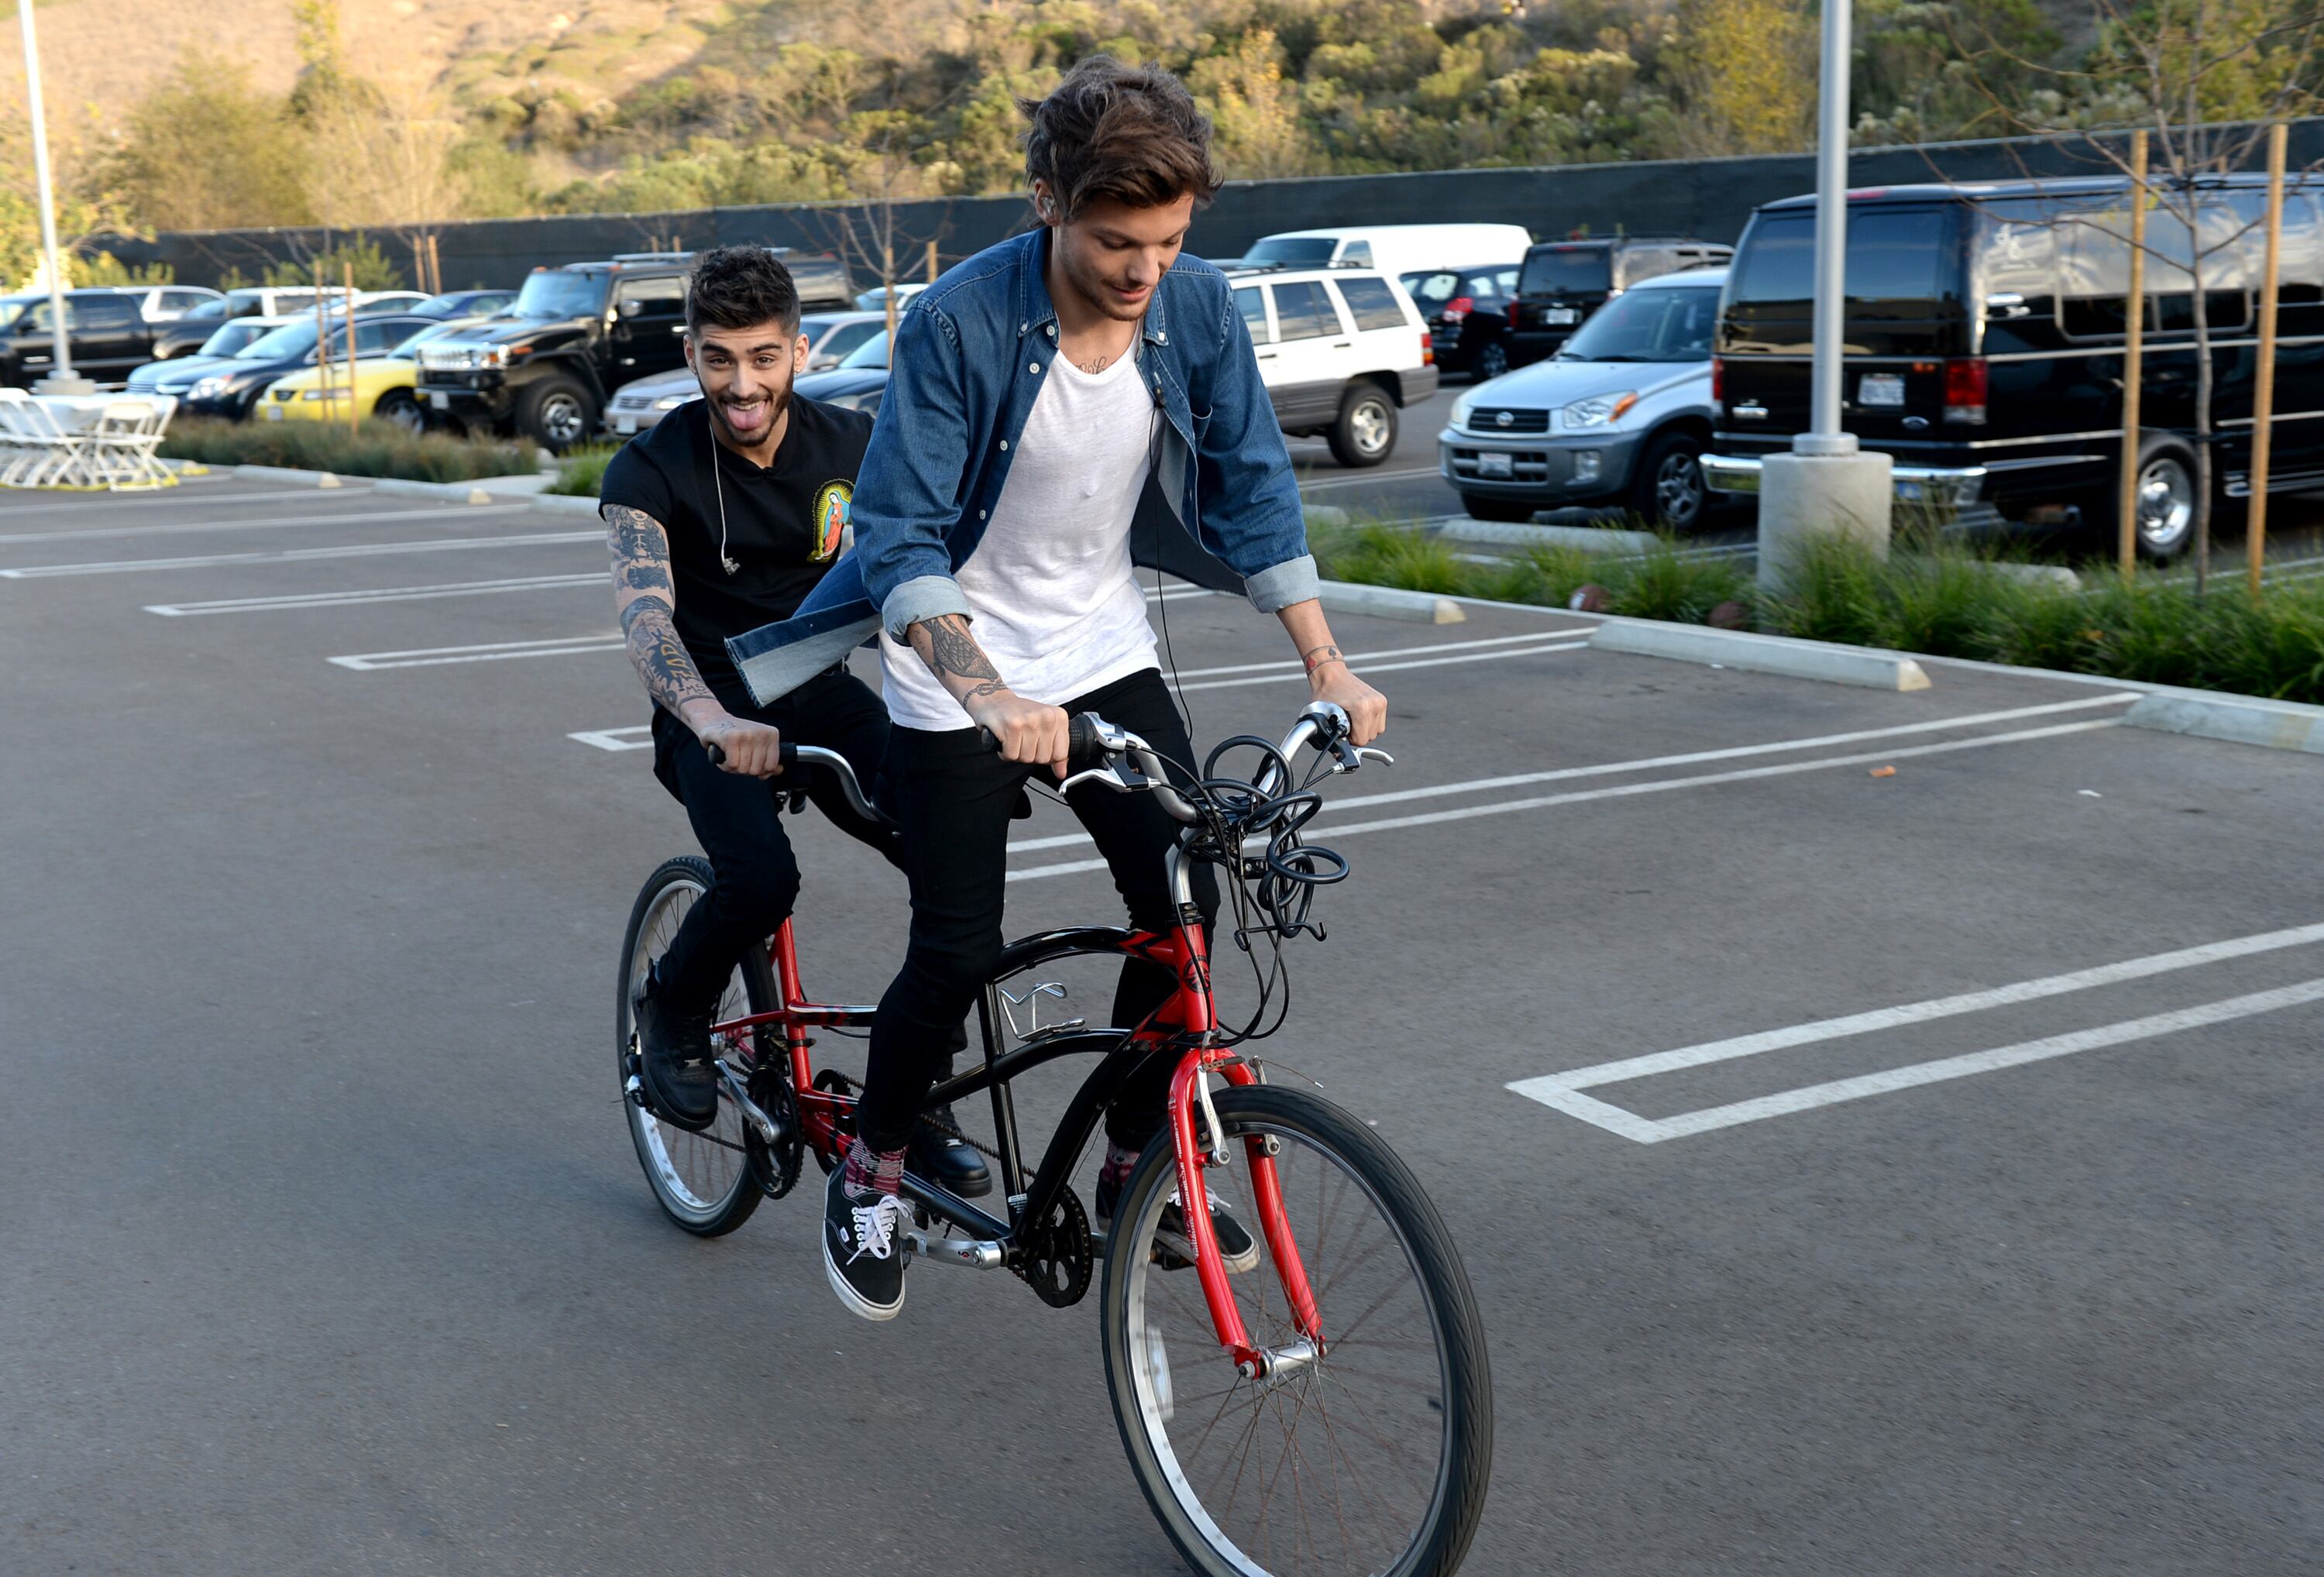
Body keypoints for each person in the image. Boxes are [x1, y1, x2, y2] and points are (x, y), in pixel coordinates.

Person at [722, 59, 1388, 1322]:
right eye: (1114, 241)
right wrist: (985, 697)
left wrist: (1326, 661)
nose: (1144, 271)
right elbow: (903, 534)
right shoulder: (963, 322)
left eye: (1170, 241)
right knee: (958, 946)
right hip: (955, 672)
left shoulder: (1194, 307)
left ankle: (1142, 1155)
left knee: (1186, 901)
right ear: (1048, 202)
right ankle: (875, 1163)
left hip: (1103, 654)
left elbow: (1254, 486)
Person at [599, 245, 989, 1201]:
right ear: (690, 353)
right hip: (707, 702)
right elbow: (647, 618)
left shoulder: (858, 444)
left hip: (818, 689)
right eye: (720, 358)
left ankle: (910, 1103)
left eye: (763, 358)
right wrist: (709, 719)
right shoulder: (648, 466)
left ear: (801, 351)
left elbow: (930, 567)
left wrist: (992, 713)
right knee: (762, 878)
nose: (742, 385)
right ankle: (674, 1011)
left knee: (954, 872)